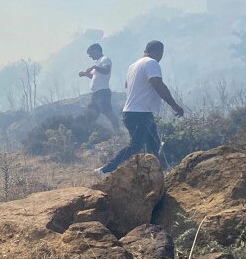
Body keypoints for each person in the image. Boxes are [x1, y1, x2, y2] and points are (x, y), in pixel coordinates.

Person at [98, 40, 184, 175]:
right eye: (161, 54)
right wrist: (174, 105)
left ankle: (155, 175)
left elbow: (127, 85)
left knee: (153, 145)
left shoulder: (133, 66)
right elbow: (158, 85)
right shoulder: (151, 63)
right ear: (159, 52)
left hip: (136, 112)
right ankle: (106, 170)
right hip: (140, 113)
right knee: (136, 145)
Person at [79, 43, 120, 132]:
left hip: (103, 91)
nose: (90, 56)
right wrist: (85, 74)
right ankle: (92, 133)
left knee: (107, 111)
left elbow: (106, 71)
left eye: (91, 53)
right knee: (92, 113)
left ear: (96, 51)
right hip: (96, 93)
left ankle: (117, 131)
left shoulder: (105, 59)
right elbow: (94, 77)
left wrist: (94, 67)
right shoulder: (98, 62)